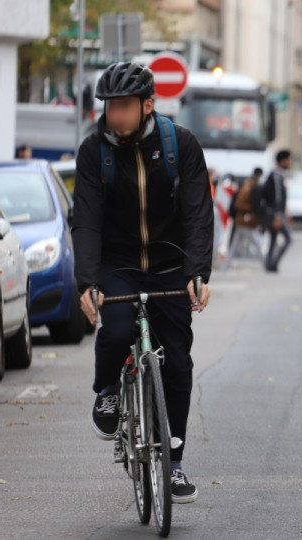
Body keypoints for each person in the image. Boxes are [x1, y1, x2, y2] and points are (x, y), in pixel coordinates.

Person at [71, 61, 214, 504]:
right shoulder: (94, 152)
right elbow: (88, 221)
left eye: (124, 106)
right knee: (115, 330)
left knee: (177, 364)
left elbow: (197, 212)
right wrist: (88, 282)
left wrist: (198, 273)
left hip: (171, 263)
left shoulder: (180, 145)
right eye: (110, 107)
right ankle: (108, 392)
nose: (115, 115)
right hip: (119, 262)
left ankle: (173, 465)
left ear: (147, 105)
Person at [222, 167, 266, 270]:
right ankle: (266, 264)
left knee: (235, 244)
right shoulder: (252, 187)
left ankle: (225, 266)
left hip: (241, 218)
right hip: (246, 219)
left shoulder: (244, 185)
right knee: (256, 243)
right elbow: (255, 205)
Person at [262, 150, 292, 273]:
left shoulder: (277, 175)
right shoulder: (276, 176)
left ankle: (270, 265)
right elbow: (277, 198)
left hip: (275, 213)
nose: (290, 162)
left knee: (274, 239)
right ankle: (272, 264)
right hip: (276, 214)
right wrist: (278, 216)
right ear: (283, 160)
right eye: (289, 159)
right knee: (288, 239)